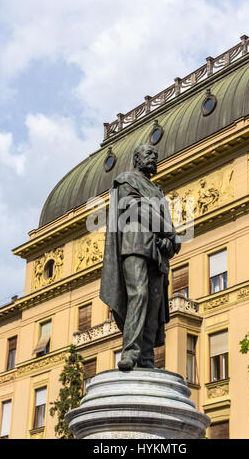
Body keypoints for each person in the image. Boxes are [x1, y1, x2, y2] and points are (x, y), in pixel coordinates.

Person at [99, 143, 181, 370]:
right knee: (139, 294)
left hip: (157, 253)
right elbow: (135, 208)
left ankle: (146, 358)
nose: (154, 158)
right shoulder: (126, 180)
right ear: (136, 158)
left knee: (154, 305)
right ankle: (130, 353)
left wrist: (168, 241)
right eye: (149, 154)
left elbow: (168, 231)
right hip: (134, 245)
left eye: (156, 155)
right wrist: (170, 233)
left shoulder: (157, 190)